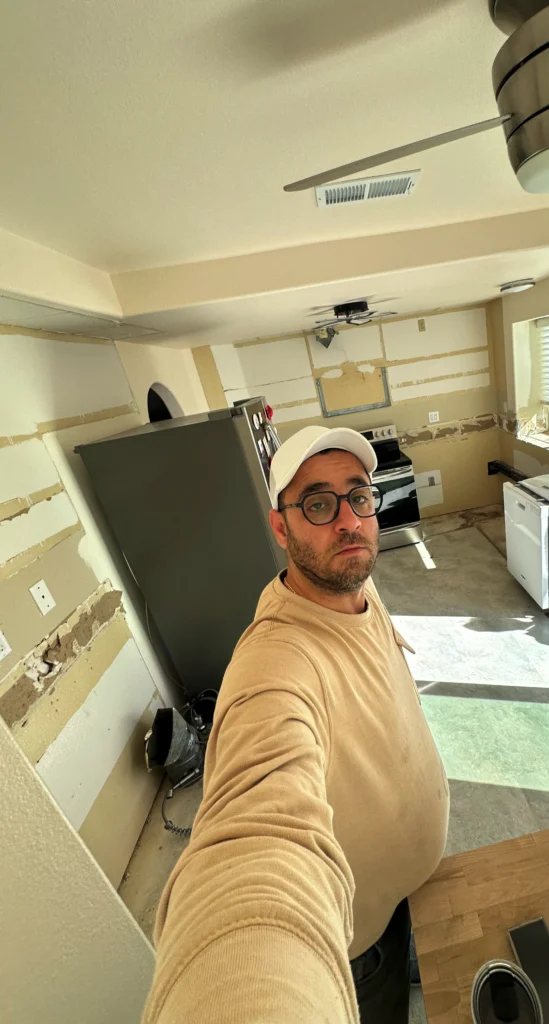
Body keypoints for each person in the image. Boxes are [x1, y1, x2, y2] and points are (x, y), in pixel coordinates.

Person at [142, 425, 450, 1024]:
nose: (347, 522)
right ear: (281, 527)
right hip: (356, 949)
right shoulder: (274, 662)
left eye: (358, 497)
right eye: (317, 503)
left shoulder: (353, 579)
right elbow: (253, 835)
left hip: (409, 895)